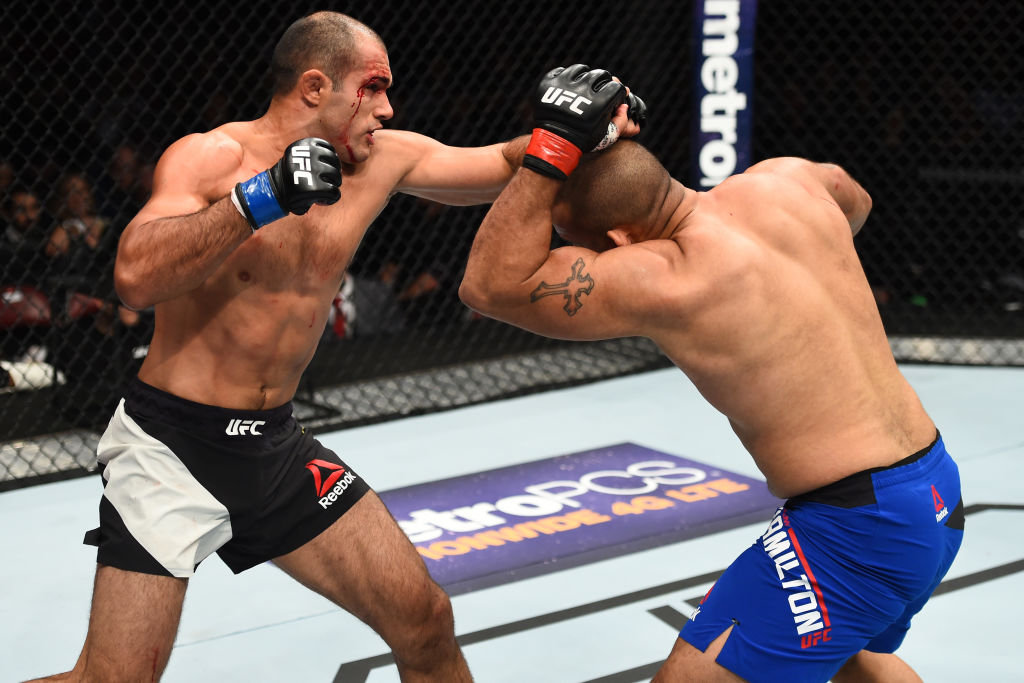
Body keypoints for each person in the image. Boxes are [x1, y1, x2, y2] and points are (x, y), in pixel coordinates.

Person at [30, 11, 536, 682]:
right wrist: (259, 199)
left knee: (425, 622)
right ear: (315, 86)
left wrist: (573, 132)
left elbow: (500, 165)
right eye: (374, 87)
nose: (387, 107)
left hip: (274, 446)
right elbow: (134, 276)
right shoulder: (213, 157)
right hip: (170, 449)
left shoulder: (383, 158)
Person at [459, 65, 963, 683]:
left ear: (619, 237)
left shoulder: (667, 278)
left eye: (574, 241)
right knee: (851, 657)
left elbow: (489, 286)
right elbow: (854, 199)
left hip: (857, 526)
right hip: (934, 487)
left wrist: (553, 146)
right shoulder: (785, 182)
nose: (570, 254)